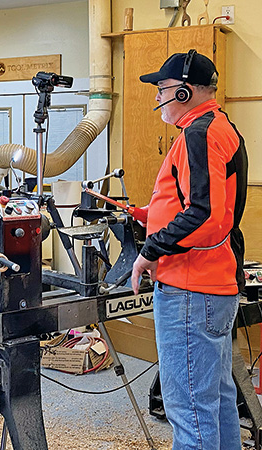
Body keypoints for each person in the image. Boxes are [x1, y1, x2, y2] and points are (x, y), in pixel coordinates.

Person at [131, 49, 248, 450]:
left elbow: (207, 215)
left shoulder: (199, 134)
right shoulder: (218, 127)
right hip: (210, 285)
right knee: (215, 401)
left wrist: (151, 249)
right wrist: (149, 214)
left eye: (162, 90)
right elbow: (197, 201)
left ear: (183, 92)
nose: (157, 99)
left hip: (190, 288)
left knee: (190, 411)